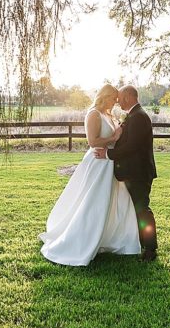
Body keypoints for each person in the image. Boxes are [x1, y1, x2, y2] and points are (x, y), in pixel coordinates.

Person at [39, 84, 141, 266]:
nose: (115, 101)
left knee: (115, 201)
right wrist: (114, 138)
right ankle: (81, 240)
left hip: (110, 162)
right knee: (94, 202)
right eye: (113, 98)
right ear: (105, 97)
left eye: (117, 99)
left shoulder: (109, 115)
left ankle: (111, 239)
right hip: (98, 161)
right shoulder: (93, 114)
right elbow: (92, 141)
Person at [93, 85, 157, 261]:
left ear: (128, 97)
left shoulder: (139, 117)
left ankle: (150, 249)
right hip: (132, 171)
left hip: (139, 173)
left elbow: (132, 147)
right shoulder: (134, 115)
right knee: (136, 209)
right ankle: (141, 241)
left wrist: (107, 154)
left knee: (142, 209)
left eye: (119, 98)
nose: (117, 101)